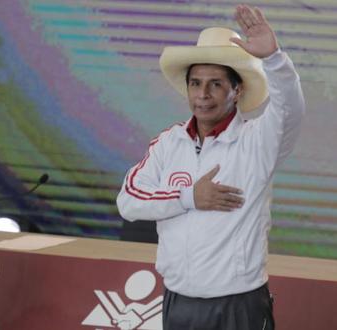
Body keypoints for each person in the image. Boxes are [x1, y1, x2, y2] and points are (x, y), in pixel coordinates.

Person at [117, 4, 305, 329]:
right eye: (195, 83)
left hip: (239, 303)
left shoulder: (257, 140)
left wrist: (274, 59)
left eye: (216, 84)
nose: (203, 95)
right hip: (178, 300)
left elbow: (289, 110)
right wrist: (189, 198)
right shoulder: (168, 142)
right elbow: (128, 201)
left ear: (237, 90)